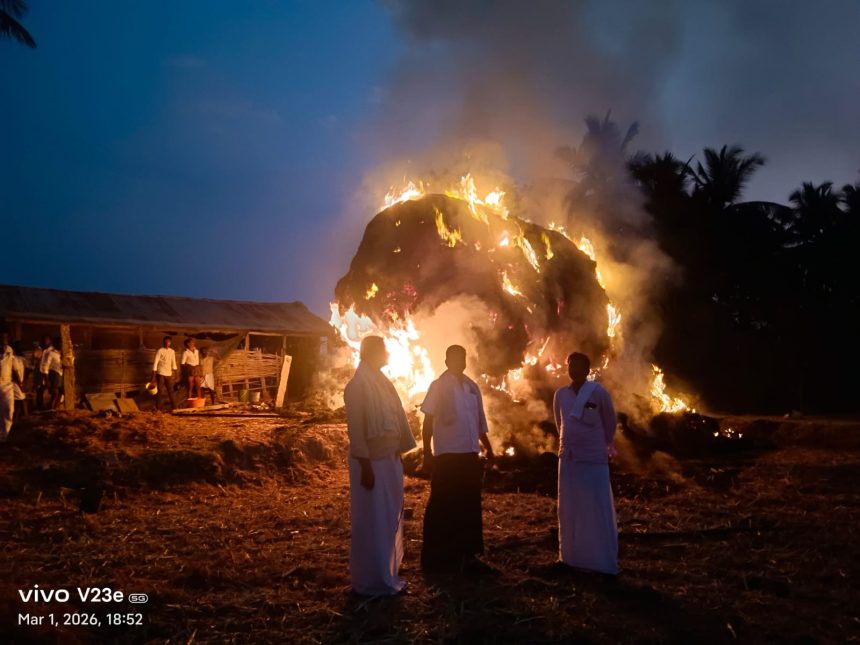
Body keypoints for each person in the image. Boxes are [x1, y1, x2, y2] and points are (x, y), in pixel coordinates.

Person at [343, 335, 417, 596]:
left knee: (388, 517)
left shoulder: (383, 384)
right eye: (384, 350)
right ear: (373, 352)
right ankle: (371, 581)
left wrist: (398, 452)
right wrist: (366, 467)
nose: (388, 354)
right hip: (370, 464)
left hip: (388, 460)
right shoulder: (357, 387)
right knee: (372, 521)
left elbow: (395, 418)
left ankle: (388, 573)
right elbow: (357, 430)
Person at [420, 344, 495, 573]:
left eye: (462, 358)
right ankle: (435, 557)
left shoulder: (472, 388)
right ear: (446, 362)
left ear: (465, 361)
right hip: (447, 455)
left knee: (469, 505)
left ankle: (468, 555)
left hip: (470, 454)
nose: (459, 362)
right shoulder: (438, 386)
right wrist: (427, 453)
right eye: (454, 358)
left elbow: (480, 422)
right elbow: (428, 421)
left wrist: (489, 449)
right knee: (442, 504)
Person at [553, 352, 619, 575]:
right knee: (570, 508)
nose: (574, 370)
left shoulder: (598, 393)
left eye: (579, 366)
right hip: (569, 459)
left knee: (595, 507)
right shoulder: (560, 395)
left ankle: (599, 561)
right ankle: (571, 557)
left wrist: (598, 444)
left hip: (593, 459)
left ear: (587, 370)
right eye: (571, 365)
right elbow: (559, 423)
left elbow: (610, 423)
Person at [150, 336, 178, 411]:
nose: (167, 343)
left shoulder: (172, 351)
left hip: (169, 374)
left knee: (171, 391)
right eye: (165, 342)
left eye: (168, 342)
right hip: (161, 373)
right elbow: (155, 363)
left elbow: (174, 363)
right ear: (163, 342)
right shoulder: (160, 351)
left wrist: (176, 374)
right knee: (160, 391)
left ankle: (175, 408)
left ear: (170, 343)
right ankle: (158, 408)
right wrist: (153, 377)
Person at [39, 336, 63, 410]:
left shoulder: (62, 352)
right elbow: (44, 367)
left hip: (60, 374)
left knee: (61, 393)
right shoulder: (49, 352)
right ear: (55, 343)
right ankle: (50, 410)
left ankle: (55, 409)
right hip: (53, 374)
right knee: (54, 393)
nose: (61, 345)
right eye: (60, 343)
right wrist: (47, 380)